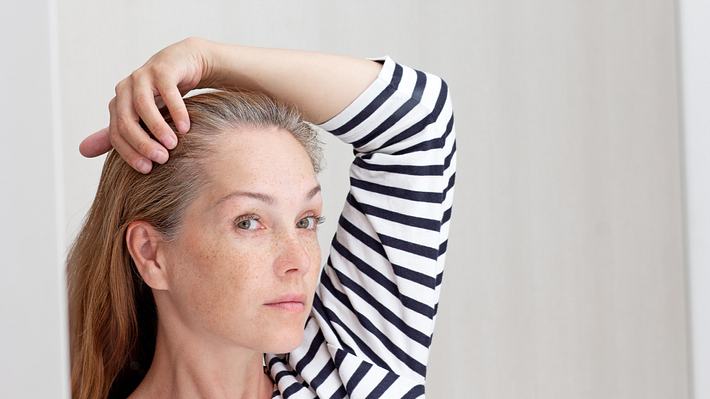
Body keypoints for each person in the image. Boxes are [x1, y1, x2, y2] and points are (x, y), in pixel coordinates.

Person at [70, 37, 456, 399]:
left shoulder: (348, 376)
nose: (298, 263)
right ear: (151, 254)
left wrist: (207, 59)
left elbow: (419, 123)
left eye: (305, 221)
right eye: (249, 222)